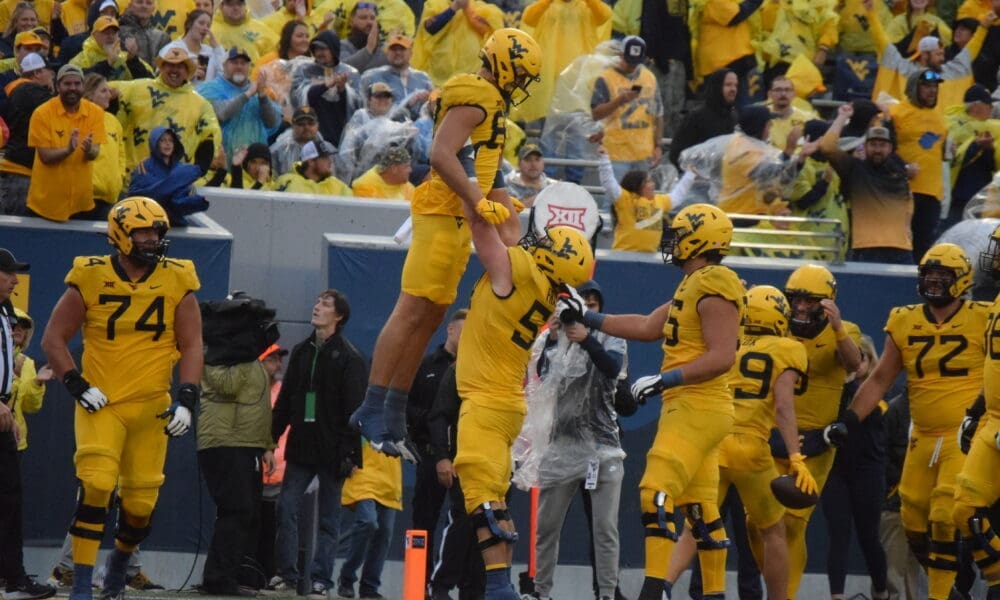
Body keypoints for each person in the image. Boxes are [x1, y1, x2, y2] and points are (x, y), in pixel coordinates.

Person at [347, 29, 539, 461]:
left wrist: (513, 229)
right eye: (521, 73)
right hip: (440, 211)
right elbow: (441, 154)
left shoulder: (491, 102)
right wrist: (476, 200)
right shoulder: (477, 94)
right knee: (412, 308)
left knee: (432, 315)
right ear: (505, 64)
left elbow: (486, 171)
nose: (522, 83)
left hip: (457, 217)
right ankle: (370, 406)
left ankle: (394, 411)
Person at [557, 203, 746, 600]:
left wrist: (662, 380)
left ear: (700, 239)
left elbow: (722, 356)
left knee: (655, 492)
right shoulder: (695, 283)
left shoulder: (715, 283)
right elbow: (646, 325)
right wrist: (586, 318)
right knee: (699, 508)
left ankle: (653, 590)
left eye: (679, 234)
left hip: (698, 403)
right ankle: (713, 594)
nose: (671, 242)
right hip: (697, 405)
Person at [40, 197, 203, 600]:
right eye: (143, 231)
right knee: (95, 484)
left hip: (151, 405)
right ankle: (80, 582)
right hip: (102, 402)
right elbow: (52, 339)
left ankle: (119, 563)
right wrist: (77, 384)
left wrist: (186, 397)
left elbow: (193, 343)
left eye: (157, 232)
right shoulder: (90, 276)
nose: (152, 239)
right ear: (119, 234)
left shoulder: (178, 277)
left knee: (141, 505)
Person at [455, 201, 594, 600]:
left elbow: (480, 224)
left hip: (484, 400)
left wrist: (467, 181)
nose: (538, 241)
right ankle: (500, 585)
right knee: (495, 501)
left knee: (481, 499)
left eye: (547, 242)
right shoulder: (548, 290)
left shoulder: (514, 271)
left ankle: (499, 589)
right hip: (506, 403)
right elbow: (512, 234)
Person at [842, 242, 989, 600]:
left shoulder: (983, 316)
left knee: (943, 512)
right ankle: (954, 584)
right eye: (929, 274)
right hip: (921, 437)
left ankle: (942, 594)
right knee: (912, 520)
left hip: (963, 435)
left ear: (962, 279)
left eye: (943, 276)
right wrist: (848, 420)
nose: (934, 282)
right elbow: (879, 379)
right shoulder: (904, 319)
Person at [530, 280, 627, 600]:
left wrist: (587, 340)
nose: (585, 309)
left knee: (605, 529)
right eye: (580, 303)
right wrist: (556, 337)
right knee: (546, 527)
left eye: (592, 304)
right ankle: (541, 591)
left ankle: (607, 594)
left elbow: (612, 368)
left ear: (599, 308)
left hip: (602, 447)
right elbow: (543, 378)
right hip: (563, 444)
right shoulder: (553, 338)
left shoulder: (610, 334)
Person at [771, 263, 862, 598]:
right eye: (795, 299)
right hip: (772, 431)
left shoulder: (844, 330)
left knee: (794, 523)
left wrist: (837, 327)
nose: (800, 307)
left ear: (827, 303)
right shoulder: (777, 326)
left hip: (816, 440)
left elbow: (855, 364)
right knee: (764, 521)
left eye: (810, 301)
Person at [268, 290, 366, 597]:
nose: (316, 307)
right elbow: (285, 401)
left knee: (329, 517)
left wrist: (350, 453)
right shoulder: (300, 351)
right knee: (285, 507)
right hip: (300, 448)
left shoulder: (350, 357)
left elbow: (355, 411)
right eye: (317, 302)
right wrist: (270, 441)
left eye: (325, 305)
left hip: (333, 453)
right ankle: (286, 575)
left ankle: (322, 579)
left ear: (338, 316)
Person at [198, 292, 279, 596]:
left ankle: (227, 577)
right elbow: (228, 385)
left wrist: (266, 445)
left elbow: (256, 408)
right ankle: (218, 580)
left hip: (244, 444)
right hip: (225, 443)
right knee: (236, 510)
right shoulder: (221, 357)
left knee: (243, 512)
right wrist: (251, 360)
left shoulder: (240, 358)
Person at [0, 249, 55, 600]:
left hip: (3, 416)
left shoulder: (5, 313)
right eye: (9, 273)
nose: (15, 280)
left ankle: (13, 578)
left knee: (9, 501)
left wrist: (8, 407)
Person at [821, 334, 889, 600]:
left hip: (868, 472)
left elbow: (868, 414)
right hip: (837, 471)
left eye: (861, 356)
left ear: (870, 360)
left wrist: (855, 383)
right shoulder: (834, 390)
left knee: (869, 536)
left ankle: (881, 592)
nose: (854, 362)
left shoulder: (878, 392)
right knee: (838, 536)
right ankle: (836, 595)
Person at [952, 224, 1000, 599]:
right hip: (993, 421)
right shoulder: (998, 301)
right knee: (964, 510)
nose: (995, 257)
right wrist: (975, 410)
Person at [406, 309, 465, 585]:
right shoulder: (428, 365)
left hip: (463, 457)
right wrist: (430, 424)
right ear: (450, 330)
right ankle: (418, 586)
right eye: (462, 331)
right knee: (423, 524)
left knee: (462, 525)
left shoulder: (473, 369)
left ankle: (448, 583)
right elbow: (409, 406)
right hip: (431, 455)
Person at [820, 103, 914, 264]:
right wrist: (842, 117)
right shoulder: (854, 168)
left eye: (882, 145)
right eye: (873, 145)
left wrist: (908, 226)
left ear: (891, 148)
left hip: (902, 249)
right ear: (865, 146)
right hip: (866, 248)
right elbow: (827, 147)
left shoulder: (898, 171)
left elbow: (908, 201)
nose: (878, 149)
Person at [426, 361, 485, 600]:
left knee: (489, 525)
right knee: (462, 519)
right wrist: (442, 456)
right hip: (465, 459)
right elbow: (440, 415)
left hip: (498, 460)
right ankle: (441, 586)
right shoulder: (462, 367)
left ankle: (475, 591)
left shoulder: (508, 364)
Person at [111, 45, 222, 171]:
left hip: (173, 181)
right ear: (162, 67)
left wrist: (198, 171)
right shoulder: (137, 89)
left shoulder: (201, 105)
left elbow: (211, 136)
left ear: (187, 71)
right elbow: (100, 91)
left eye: (179, 66)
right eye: (170, 65)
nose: (174, 70)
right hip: (136, 179)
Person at [26, 63, 106, 222]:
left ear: (83, 86)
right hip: (45, 206)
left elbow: (94, 153)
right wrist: (68, 150)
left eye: (77, 83)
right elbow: (45, 157)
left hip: (81, 205)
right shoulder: (42, 113)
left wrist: (89, 150)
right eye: (67, 83)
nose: (73, 88)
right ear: (57, 86)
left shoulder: (95, 112)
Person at [887, 69, 947, 262]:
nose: (932, 91)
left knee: (924, 246)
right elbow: (883, 150)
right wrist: (902, 167)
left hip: (932, 192)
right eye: (927, 86)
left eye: (935, 87)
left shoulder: (940, 116)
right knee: (899, 243)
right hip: (903, 190)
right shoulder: (896, 113)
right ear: (914, 87)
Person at [590, 35, 663, 180]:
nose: (632, 66)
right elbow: (595, 114)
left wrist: (658, 145)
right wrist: (619, 100)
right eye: (629, 61)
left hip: (643, 151)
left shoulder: (649, 78)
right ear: (621, 55)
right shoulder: (605, 78)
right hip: (616, 152)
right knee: (614, 199)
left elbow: (658, 114)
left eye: (636, 62)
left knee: (641, 199)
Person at [197, 47, 282, 167]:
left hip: (253, 167)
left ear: (249, 67)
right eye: (234, 62)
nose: (239, 67)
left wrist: (263, 96)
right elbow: (219, 114)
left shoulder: (258, 90)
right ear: (224, 66)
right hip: (219, 165)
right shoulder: (210, 88)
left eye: (243, 63)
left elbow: (272, 123)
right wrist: (247, 95)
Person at [336, 444, 402, 599]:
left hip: (389, 479)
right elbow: (345, 431)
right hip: (362, 472)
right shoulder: (357, 418)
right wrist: (344, 458)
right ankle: (347, 577)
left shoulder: (401, 419)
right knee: (368, 522)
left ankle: (369, 588)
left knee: (384, 533)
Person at [595, 143, 677, 252]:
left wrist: (691, 174)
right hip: (623, 256)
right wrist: (604, 159)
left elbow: (678, 195)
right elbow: (608, 182)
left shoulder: (660, 200)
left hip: (649, 258)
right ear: (637, 185)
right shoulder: (626, 199)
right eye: (648, 181)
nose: (653, 184)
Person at [0, 53, 53, 216]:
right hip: (21, 173)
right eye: (50, 72)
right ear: (37, 73)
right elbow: (62, 109)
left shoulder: (13, 89)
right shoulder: (30, 90)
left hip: (12, 171)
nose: (52, 76)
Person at [126, 127, 209, 225]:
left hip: (176, 225)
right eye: (162, 140)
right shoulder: (144, 166)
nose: (168, 144)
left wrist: (199, 201)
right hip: (149, 225)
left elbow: (181, 201)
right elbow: (145, 196)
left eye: (171, 140)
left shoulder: (181, 168)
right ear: (155, 144)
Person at [668, 68, 738, 168]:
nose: (733, 89)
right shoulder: (696, 116)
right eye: (728, 85)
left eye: (735, 85)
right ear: (717, 87)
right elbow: (676, 153)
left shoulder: (733, 116)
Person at [360, 33, 433, 121]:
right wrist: (408, 104)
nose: (398, 52)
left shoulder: (423, 78)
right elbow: (365, 111)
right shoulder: (372, 77)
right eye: (393, 49)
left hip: (419, 130)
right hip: (384, 130)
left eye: (402, 49)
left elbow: (434, 109)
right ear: (387, 53)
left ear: (410, 53)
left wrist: (428, 102)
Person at [82, 73, 126, 213]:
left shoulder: (113, 121)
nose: (109, 95)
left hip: (110, 198)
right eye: (103, 91)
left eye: (108, 90)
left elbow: (121, 157)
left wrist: (119, 179)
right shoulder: (79, 118)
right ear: (89, 94)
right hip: (86, 197)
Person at [69, 16, 154, 82]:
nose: (111, 36)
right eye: (106, 33)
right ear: (94, 35)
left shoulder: (125, 57)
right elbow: (75, 82)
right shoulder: (83, 59)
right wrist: (107, 64)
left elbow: (149, 82)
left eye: (114, 33)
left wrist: (132, 61)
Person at [274, 139, 352, 195]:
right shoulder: (288, 182)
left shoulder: (337, 185)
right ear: (311, 161)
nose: (330, 161)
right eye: (324, 158)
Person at [212, 0, 279, 63]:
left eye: (239, 4)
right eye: (230, 4)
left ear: (245, 5)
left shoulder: (260, 27)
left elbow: (276, 54)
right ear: (221, 7)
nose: (235, 8)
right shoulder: (211, 30)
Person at [270, 107, 327, 177]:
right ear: (293, 126)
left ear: (317, 125)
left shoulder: (329, 150)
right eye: (301, 124)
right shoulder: (278, 150)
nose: (307, 127)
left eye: (311, 124)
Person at [351, 145, 415, 200]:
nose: (410, 170)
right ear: (394, 168)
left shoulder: (408, 188)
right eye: (407, 167)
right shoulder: (364, 187)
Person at [116, 0, 170, 65]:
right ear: (130, 5)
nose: (144, 6)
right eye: (139, 2)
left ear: (153, 8)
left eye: (149, 3)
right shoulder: (118, 33)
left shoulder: (162, 37)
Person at [504, 143, 555, 209]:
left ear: (543, 163)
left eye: (537, 160)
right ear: (519, 164)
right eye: (528, 160)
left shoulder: (553, 187)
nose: (533, 164)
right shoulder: (506, 186)